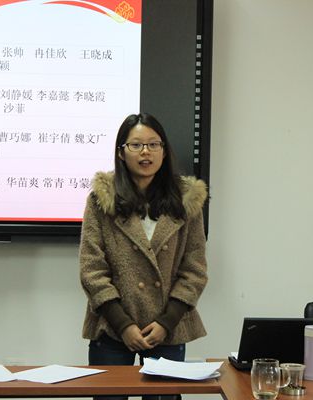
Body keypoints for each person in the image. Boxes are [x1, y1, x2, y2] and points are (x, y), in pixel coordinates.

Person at [79, 113, 208, 400]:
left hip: (167, 328)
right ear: (121, 153)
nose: (145, 152)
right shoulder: (102, 200)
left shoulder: (186, 201)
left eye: (153, 144)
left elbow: (195, 269)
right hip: (112, 328)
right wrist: (123, 325)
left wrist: (166, 322)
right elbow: (91, 269)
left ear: (164, 150)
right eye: (136, 145)